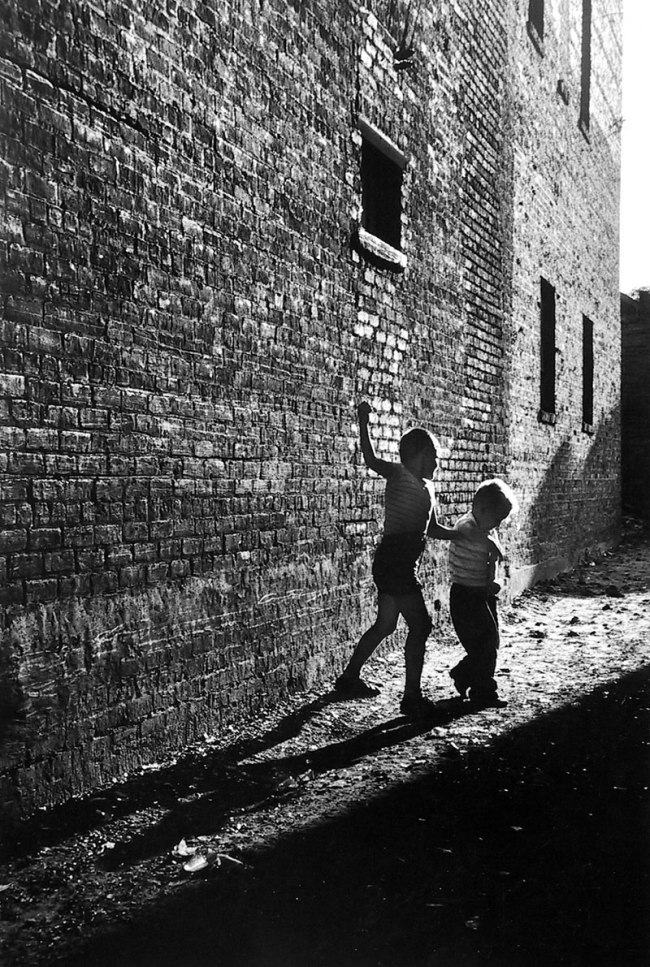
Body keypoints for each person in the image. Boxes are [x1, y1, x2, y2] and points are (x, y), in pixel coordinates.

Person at [335, 401, 456, 717]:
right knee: (421, 625)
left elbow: (432, 529)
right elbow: (371, 458)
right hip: (395, 562)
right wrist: (363, 422)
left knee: (386, 625)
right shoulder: (399, 474)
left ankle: (349, 678)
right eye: (433, 458)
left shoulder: (428, 491)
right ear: (417, 457)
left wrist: (463, 534)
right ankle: (411, 697)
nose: (437, 464)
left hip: (401, 563)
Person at [448, 478, 518, 709]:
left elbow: (492, 562)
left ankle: (465, 674)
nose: (497, 525)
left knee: (490, 641)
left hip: (483, 594)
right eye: (496, 518)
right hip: (465, 595)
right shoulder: (466, 524)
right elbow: (469, 533)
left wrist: (494, 582)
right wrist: (490, 543)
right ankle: (482, 689)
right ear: (481, 509)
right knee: (480, 644)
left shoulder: (489, 532)